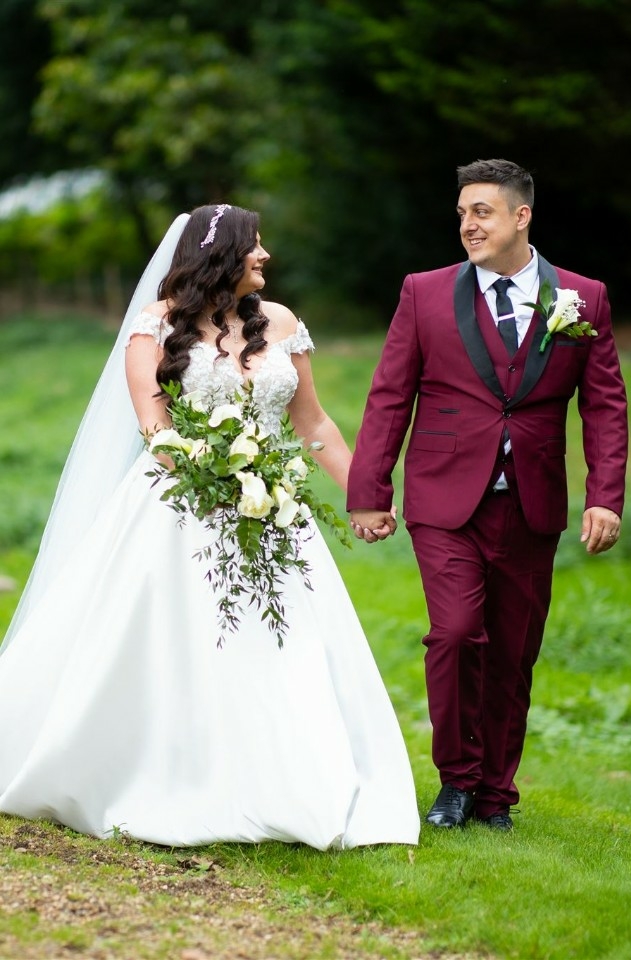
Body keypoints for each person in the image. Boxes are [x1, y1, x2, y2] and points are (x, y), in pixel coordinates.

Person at [0, 203, 420, 850]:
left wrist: (367, 494)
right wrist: (220, 476)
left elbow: (314, 426)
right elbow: (157, 432)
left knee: (282, 650)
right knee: (182, 646)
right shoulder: (153, 330)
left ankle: (291, 781)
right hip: (179, 513)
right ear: (221, 255)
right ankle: (172, 774)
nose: (266, 257)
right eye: (255, 246)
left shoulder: (280, 324)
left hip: (271, 510)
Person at [347, 159, 628, 831]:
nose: (468, 225)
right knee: (454, 634)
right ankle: (456, 781)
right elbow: (390, 395)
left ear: (521, 216)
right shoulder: (424, 292)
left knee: (512, 651)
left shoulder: (583, 299)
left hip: (532, 503)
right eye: (463, 213)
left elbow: (606, 405)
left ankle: (497, 795)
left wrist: (605, 495)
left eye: (483, 212)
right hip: (445, 500)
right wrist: (369, 489)